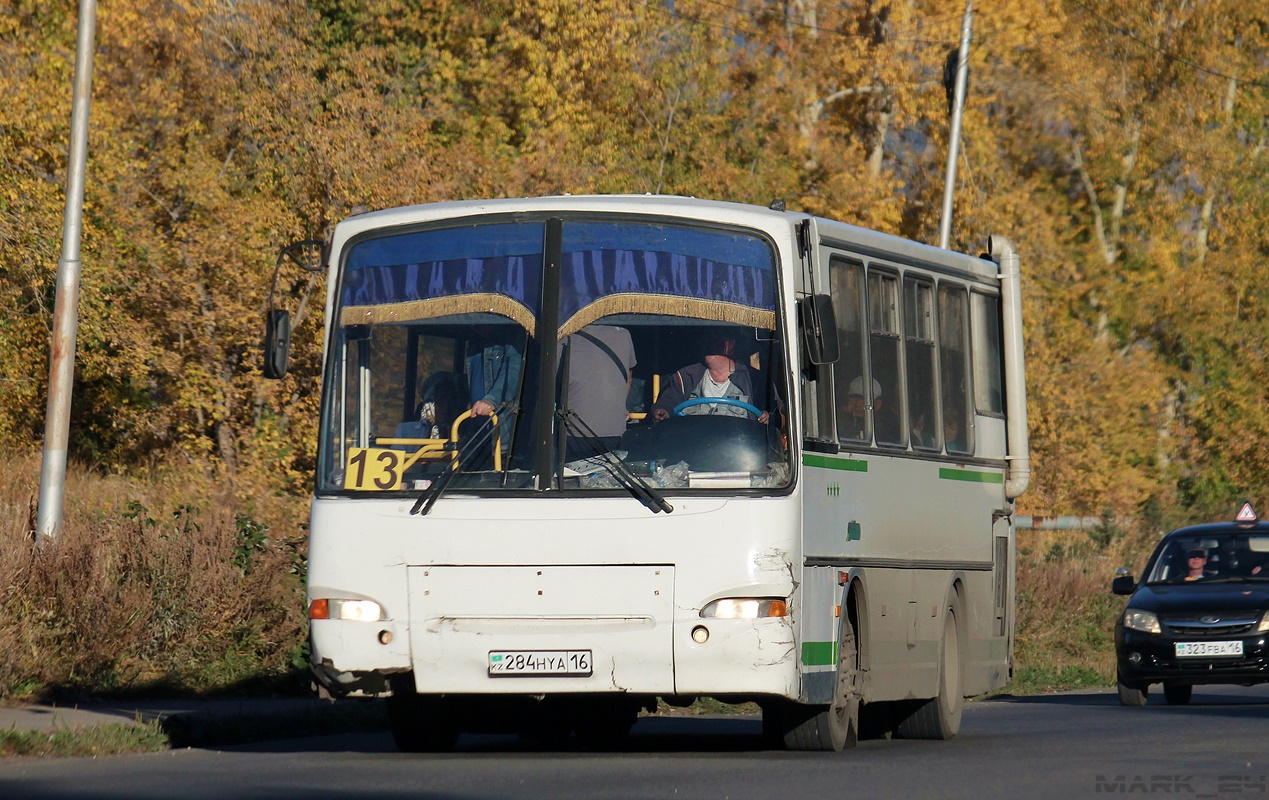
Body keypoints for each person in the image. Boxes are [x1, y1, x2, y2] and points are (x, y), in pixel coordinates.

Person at [652, 333, 770, 423]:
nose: (709, 344)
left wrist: (766, 416)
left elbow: (774, 412)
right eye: (707, 341)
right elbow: (668, 401)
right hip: (690, 447)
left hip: (736, 449)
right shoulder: (686, 376)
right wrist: (663, 410)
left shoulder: (753, 379)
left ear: (732, 345)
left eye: (717, 341)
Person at [559, 324, 637, 459]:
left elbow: (548, 387)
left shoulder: (562, 336)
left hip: (575, 431)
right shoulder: (623, 334)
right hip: (614, 429)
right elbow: (628, 378)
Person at [838, 376, 878, 441]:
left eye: (862, 399)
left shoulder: (884, 425)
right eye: (853, 398)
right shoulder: (840, 421)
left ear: (877, 404)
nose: (857, 404)